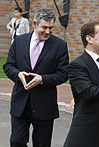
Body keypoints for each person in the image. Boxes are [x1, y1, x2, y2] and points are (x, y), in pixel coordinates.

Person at [3, 8, 69, 147]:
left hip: (44, 105)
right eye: (44, 27)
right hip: (20, 102)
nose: (48, 31)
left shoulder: (60, 45)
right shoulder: (19, 41)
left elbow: (63, 74)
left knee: (42, 144)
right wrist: (17, 74)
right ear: (34, 24)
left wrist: (43, 79)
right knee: (17, 141)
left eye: (51, 28)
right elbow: (8, 66)